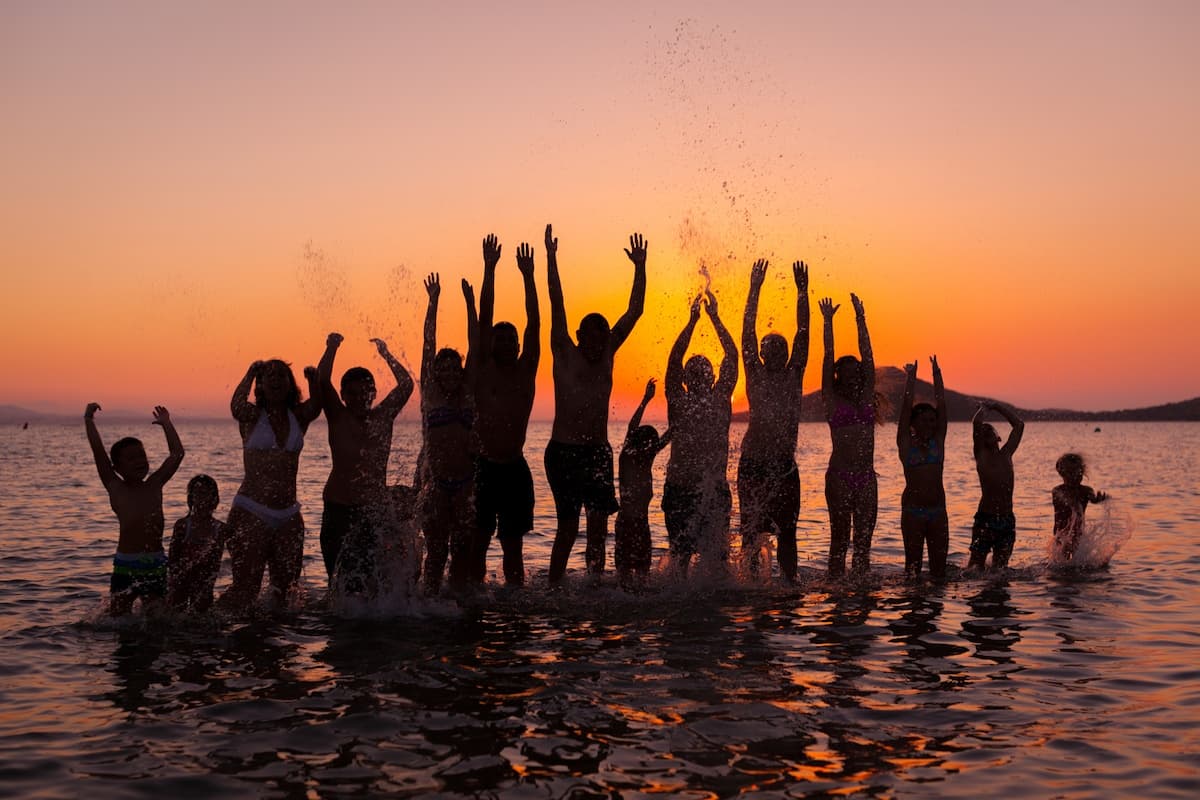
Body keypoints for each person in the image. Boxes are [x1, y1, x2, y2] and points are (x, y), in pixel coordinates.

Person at [545, 224, 647, 584]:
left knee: (598, 528)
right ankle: (555, 587)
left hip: (597, 452)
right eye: (589, 336)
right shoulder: (564, 353)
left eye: (601, 337)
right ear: (578, 336)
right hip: (564, 453)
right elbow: (556, 303)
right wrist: (551, 257)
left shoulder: (607, 355)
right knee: (568, 528)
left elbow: (635, 311)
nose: (595, 343)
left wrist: (640, 267)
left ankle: (594, 584)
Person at [218, 358, 322, 609]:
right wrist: (250, 372)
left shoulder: (297, 416)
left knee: (286, 592)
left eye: (282, 375)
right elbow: (236, 406)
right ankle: (210, 635)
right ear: (261, 385)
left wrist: (313, 382)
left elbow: (317, 406)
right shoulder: (252, 416)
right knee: (245, 589)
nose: (276, 380)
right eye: (269, 376)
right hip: (252, 510)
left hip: (288, 515)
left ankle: (276, 642)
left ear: (290, 384)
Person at [315, 332, 414, 594]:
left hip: (372, 511)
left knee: (372, 582)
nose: (360, 398)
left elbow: (406, 384)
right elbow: (321, 378)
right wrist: (332, 346)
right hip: (338, 508)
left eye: (366, 392)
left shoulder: (383, 416)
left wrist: (386, 354)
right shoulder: (337, 416)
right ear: (343, 395)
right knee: (338, 581)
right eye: (353, 393)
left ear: (373, 393)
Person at [468, 234, 539, 586]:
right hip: (483, 469)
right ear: (492, 344)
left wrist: (528, 276)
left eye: (513, 339)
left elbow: (535, 323)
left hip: (514, 469)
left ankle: (513, 606)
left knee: (513, 547)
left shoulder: (526, 371)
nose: (508, 343)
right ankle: (473, 604)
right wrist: (490, 268)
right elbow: (484, 319)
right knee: (477, 543)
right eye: (501, 339)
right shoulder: (483, 370)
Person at [739, 258, 810, 582]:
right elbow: (747, 332)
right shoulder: (753, 374)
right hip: (753, 462)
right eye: (771, 348)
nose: (777, 352)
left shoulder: (794, 376)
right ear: (763, 354)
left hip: (784, 464)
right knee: (751, 532)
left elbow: (803, 333)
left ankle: (789, 583)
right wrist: (754, 288)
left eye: (782, 348)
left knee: (788, 532)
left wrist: (802, 292)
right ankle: (751, 584)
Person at [662, 287, 738, 576]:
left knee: (717, 559)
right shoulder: (678, 401)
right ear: (684, 378)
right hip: (680, 488)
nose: (699, 374)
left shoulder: (721, 400)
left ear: (714, 377)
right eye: (693, 371)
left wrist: (715, 319)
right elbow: (673, 360)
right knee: (680, 557)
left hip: (714, 490)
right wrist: (692, 322)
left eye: (704, 370)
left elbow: (731, 355)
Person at [84, 403, 185, 615]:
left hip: (155, 562)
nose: (139, 461)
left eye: (142, 456)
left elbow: (177, 454)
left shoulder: (155, 484)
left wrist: (167, 424)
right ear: (117, 468)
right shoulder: (115, 486)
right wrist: (89, 421)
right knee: (119, 616)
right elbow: (98, 453)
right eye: (131, 458)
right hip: (126, 564)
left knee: (157, 617)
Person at [418, 273, 477, 594]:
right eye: (444, 368)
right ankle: (429, 603)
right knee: (437, 550)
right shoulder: (429, 391)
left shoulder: (467, 392)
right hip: (436, 483)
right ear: (436, 372)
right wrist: (433, 300)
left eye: (455, 368)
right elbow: (428, 343)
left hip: (466, 481)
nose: (450, 373)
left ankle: (457, 602)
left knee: (462, 550)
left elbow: (475, 343)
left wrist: (469, 303)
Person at [820, 293, 880, 577]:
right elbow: (827, 357)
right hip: (840, 476)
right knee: (840, 541)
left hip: (867, 477)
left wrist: (860, 318)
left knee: (864, 544)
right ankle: (835, 593)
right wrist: (828, 321)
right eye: (846, 372)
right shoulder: (832, 400)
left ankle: (861, 591)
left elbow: (868, 357)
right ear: (838, 376)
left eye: (856, 371)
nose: (853, 375)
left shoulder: (867, 398)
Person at [614, 378, 671, 590]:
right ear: (640, 444)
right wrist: (645, 400)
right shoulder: (627, 459)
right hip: (626, 524)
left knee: (642, 579)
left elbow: (667, 438)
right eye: (648, 444)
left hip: (643, 526)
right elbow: (631, 428)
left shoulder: (646, 460)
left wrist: (680, 414)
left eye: (652, 445)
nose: (652, 448)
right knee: (624, 579)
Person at [896, 357, 949, 580]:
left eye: (932, 420)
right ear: (913, 423)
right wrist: (911, 379)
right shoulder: (906, 444)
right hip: (913, 513)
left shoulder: (938, 442)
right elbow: (906, 408)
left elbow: (942, 405)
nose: (930, 424)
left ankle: (936, 611)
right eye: (925, 420)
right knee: (912, 570)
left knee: (939, 573)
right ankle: (914, 608)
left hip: (938, 511)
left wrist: (937, 375)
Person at [968, 400, 1025, 571]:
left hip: (1007, 519)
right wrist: (984, 409)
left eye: (989, 431)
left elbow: (1019, 425)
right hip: (986, 518)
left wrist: (998, 407)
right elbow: (977, 423)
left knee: (1000, 570)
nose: (985, 433)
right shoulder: (981, 456)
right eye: (982, 433)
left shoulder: (1006, 454)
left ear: (998, 437)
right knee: (975, 568)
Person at [167, 474, 227, 612]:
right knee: (176, 609)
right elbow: (172, 557)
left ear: (214, 498)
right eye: (198, 493)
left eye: (206, 494)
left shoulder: (220, 529)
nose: (202, 498)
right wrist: (175, 576)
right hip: (181, 580)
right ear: (191, 498)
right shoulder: (183, 525)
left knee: (202, 611)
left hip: (205, 581)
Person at [1051, 453, 1108, 563]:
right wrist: (1071, 503)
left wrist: (1098, 499)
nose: (1075, 477)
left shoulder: (1086, 490)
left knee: (1077, 560)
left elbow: (1093, 499)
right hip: (1061, 533)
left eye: (1079, 473)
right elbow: (1063, 498)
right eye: (1071, 473)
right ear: (1062, 474)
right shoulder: (1058, 490)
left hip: (1078, 532)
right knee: (1061, 560)